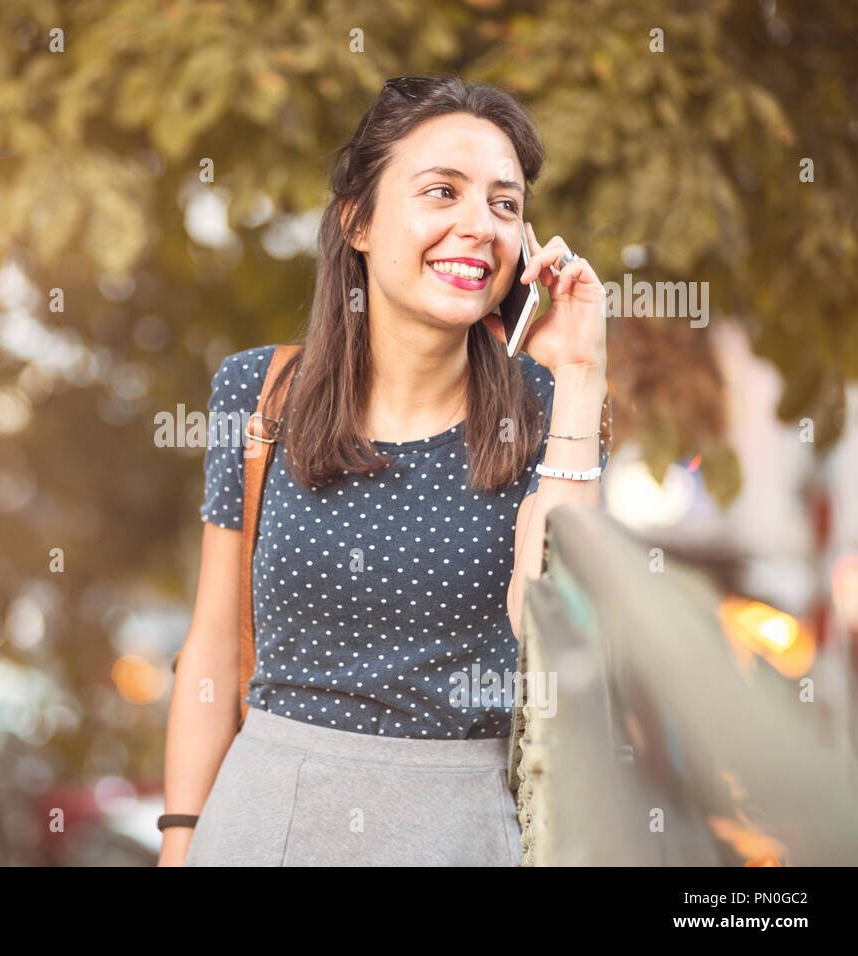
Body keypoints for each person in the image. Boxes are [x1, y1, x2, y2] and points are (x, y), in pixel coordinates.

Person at [160, 74, 610, 866]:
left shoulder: (550, 413)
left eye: (505, 205)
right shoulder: (258, 394)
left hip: (461, 831)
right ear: (358, 222)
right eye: (444, 192)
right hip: (262, 822)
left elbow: (561, 626)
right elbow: (211, 646)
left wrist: (578, 377)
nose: (479, 225)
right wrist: (181, 840)